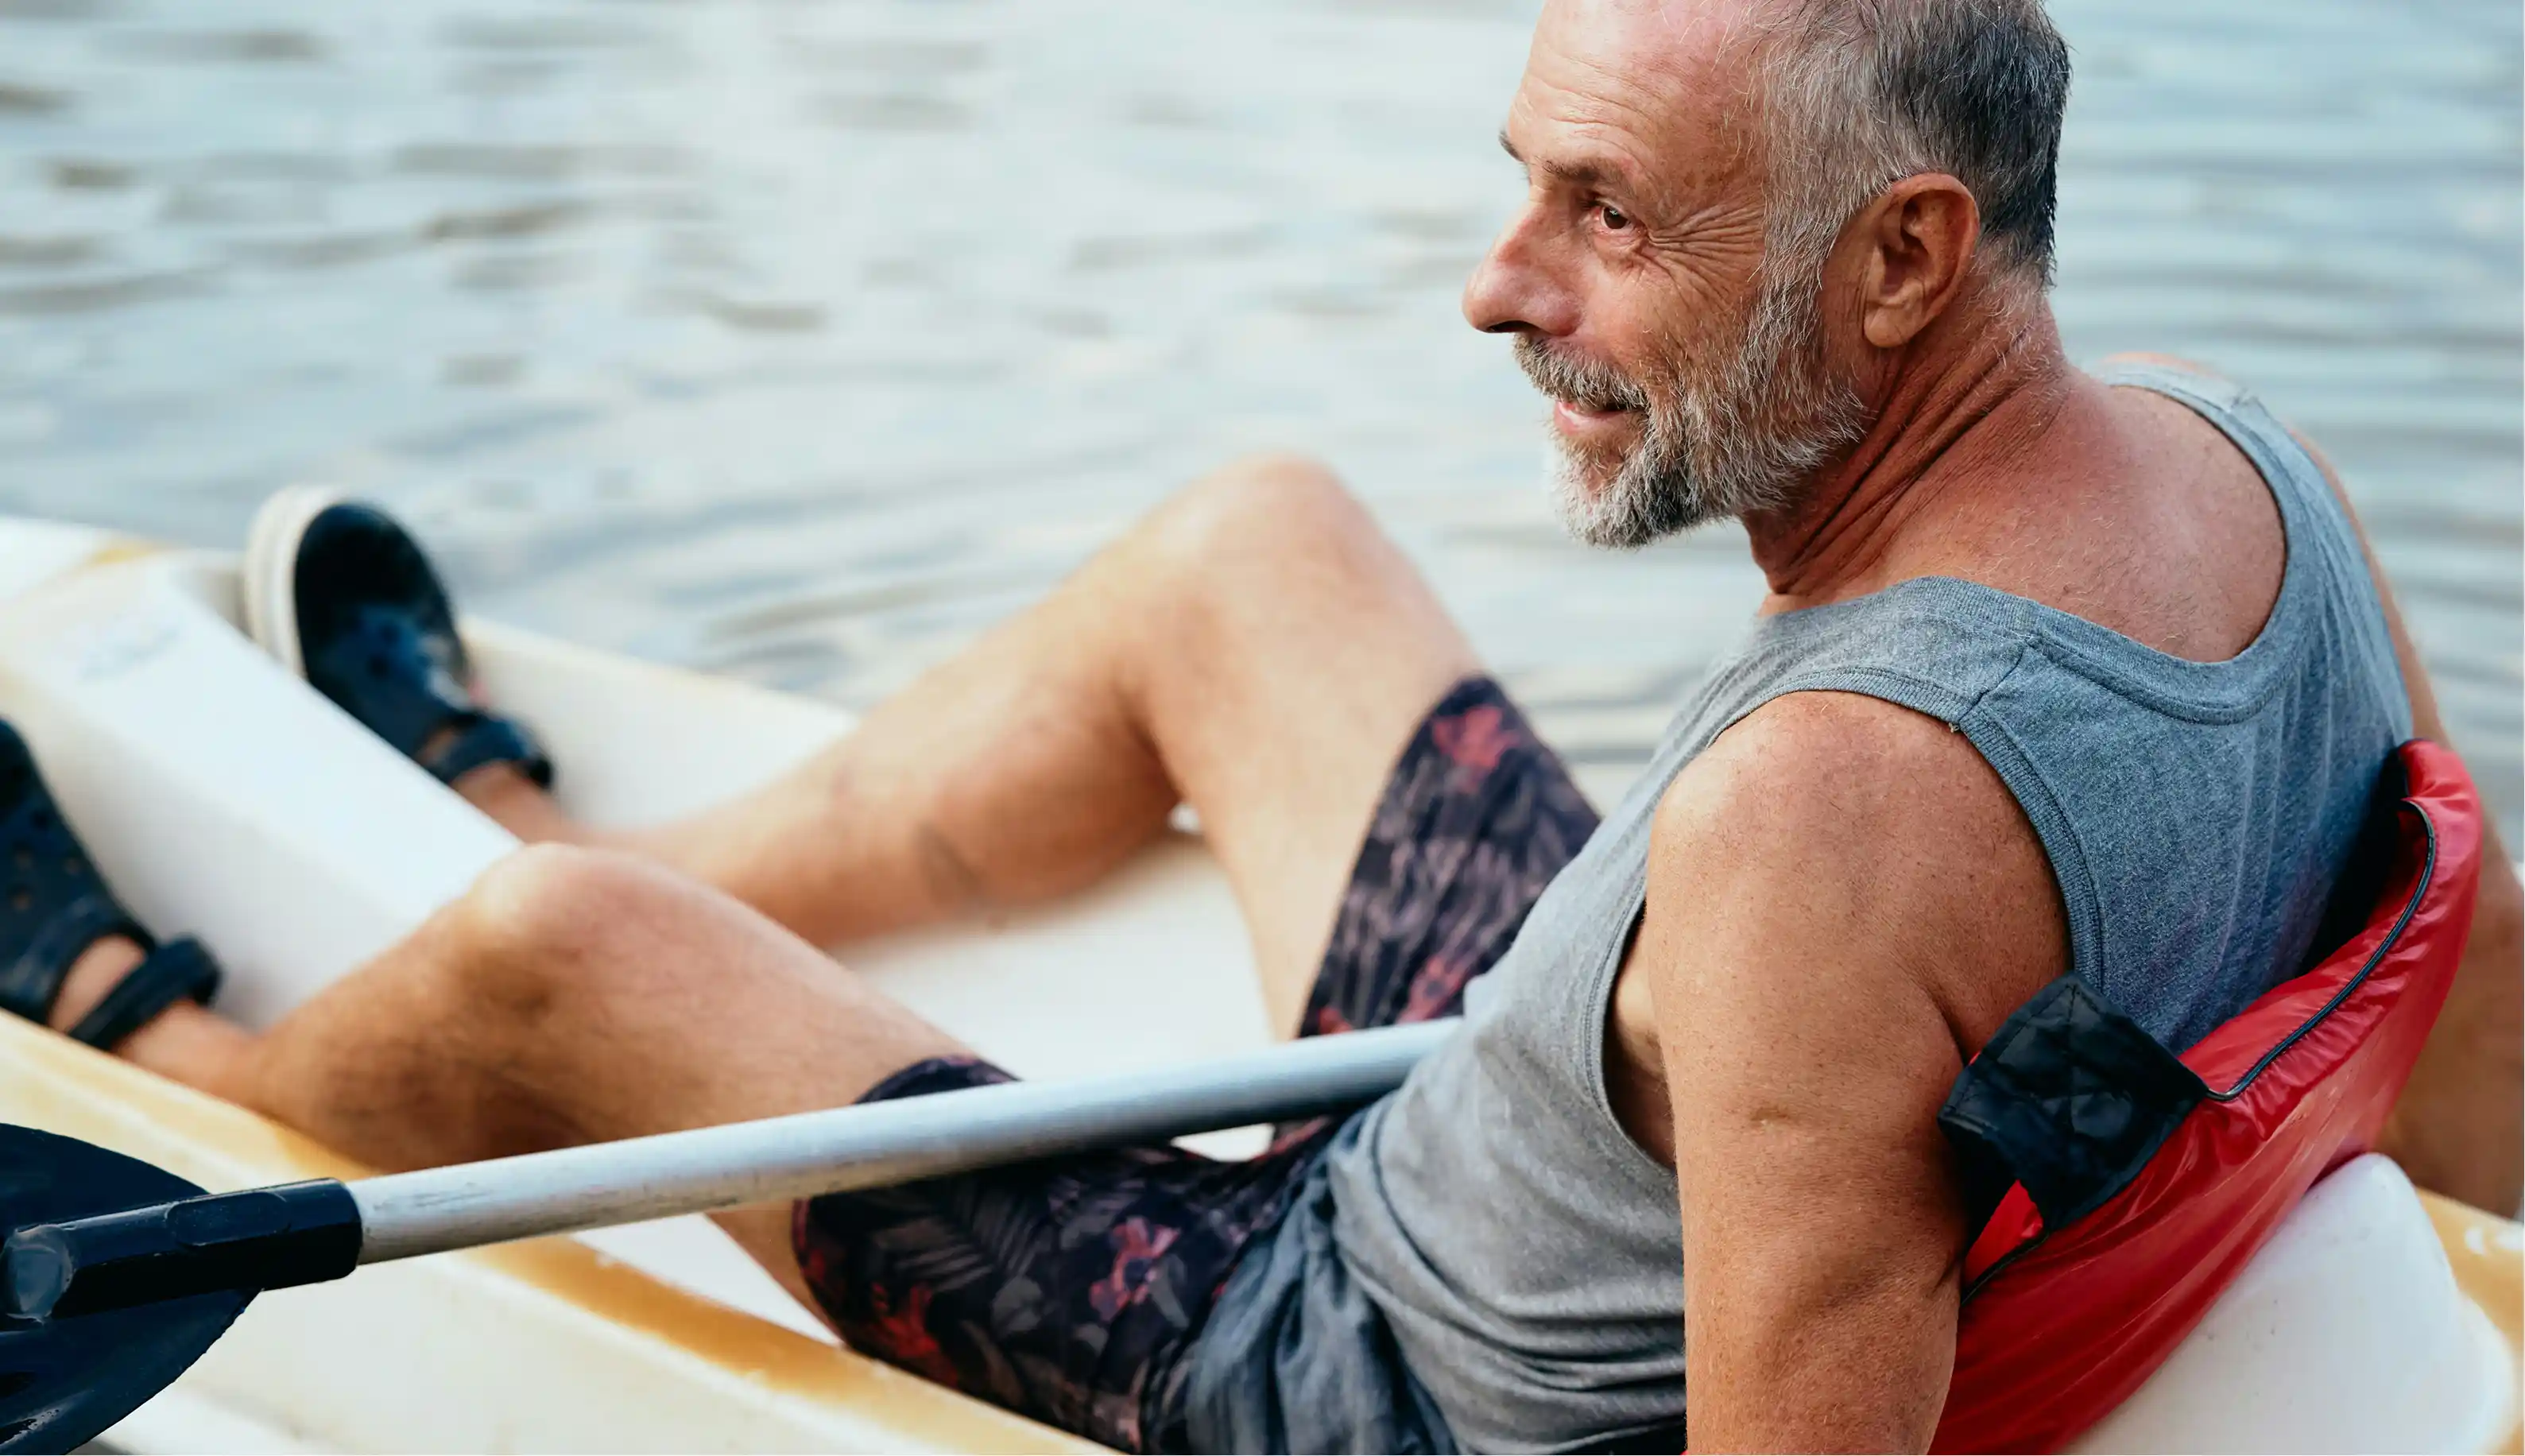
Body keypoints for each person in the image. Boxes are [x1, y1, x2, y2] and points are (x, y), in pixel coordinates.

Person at [2, 0, 2516, 1449]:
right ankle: (522, 800)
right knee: (1253, 547)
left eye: (1611, 218)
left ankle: (172, 1051)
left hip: (1322, 1354)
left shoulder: (1837, 830)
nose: (1494, 285)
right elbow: (2464, 949)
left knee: (560, 951)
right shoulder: (2236, 464)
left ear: (1901, 259)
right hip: (1544, 1057)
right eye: (1521, 183)